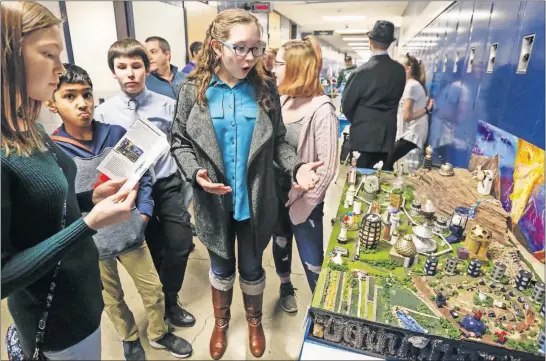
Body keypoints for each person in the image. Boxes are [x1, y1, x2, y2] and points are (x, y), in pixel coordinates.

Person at [171, 9, 323, 360]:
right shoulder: (193, 91)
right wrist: (195, 173)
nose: (251, 57)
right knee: (221, 268)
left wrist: (296, 168)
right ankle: (221, 324)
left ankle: (254, 322)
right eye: (240, 47)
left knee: (253, 267)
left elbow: (280, 142)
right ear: (215, 46)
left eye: (256, 48)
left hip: (256, 201)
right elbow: (179, 141)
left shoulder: (264, 87)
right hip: (213, 203)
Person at [1, 2, 137, 360]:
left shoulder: (27, 128)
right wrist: (89, 224)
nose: (60, 69)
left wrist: (91, 199)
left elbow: (44, 212)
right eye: (48, 54)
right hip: (53, 319)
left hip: (82, 298)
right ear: (8, 57)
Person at [48, 64, 193, 360]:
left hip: (130, 233)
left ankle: (159, 332)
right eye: (70, 96)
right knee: (111, 299)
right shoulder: (54, 150)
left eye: (86, 95)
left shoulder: (115, 134)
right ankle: (128, 337)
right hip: (91, 243)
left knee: (153, 291)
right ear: (52, 103)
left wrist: (145, 212)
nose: (81, 103)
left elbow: (142, 176)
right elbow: (60, 201)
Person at [95, 38, 196, 330]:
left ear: (147, 69)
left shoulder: (168, 105)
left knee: (179, 244)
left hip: (168, 184)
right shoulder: (105, 113)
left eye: (136, 66)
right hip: (135, 192)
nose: (130, 73)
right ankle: (162, 304)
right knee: (152, 247)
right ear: (113, 72)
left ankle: (171, 298)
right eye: (122, 67)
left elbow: (181, 143)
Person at [271, 36, 339, 313]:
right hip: (275, 194)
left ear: (295, 68)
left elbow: (328, 168)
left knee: (312, 258)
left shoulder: (322, 110)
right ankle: (286, 286)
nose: (273, 70)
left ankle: (323, 310)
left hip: (304, 202)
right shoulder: (282, 100)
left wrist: (302, 205)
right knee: (280, 243)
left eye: (278, 64)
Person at [145, 36, 197, 237]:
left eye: (153, 51)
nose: (149, 57)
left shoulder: (186, 80)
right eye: (147, 52)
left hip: (187, 147)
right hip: (161, 152)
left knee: (188, 188)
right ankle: (175, 227)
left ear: (167, 54)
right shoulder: (146, 84)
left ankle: (181, 223)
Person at [341, 20, 406, 170]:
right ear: (390, 44)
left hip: (362, 136)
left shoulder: (361, 72)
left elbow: (347, 105)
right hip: (387, 135)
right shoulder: (399, 71)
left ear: (370, 41)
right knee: (383, 179)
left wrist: (361, 120)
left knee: (359, 180)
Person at [387, 54, 434, 172]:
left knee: (387, 160)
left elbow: (408, 116)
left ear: (407, 69)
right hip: (409, 133)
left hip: (413, 134)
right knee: (388, 159)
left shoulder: (411, 86)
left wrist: (427, 109)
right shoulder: (410, 84)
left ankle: (390, 185)